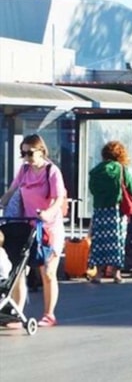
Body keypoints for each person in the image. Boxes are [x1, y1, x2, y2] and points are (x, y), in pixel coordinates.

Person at [0, 134, 66, 327]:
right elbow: (12, 191)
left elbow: (58, 199)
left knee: (47, 271)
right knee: (18, 270)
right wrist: (1, 202)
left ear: (41, 151)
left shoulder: (52, 171)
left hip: (49, 228)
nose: (27, 157)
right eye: (23, 153)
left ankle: (49, 314)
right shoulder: (25, 170)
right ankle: (17, 313)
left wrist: (47, 213)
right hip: (28, 226)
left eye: (30, 153)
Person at [88, 141, 132, 284]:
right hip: (116, 211)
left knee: (99, 241)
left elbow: (92, 189)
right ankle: (116, 274)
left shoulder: (96, 170)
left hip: (99, 210)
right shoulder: (120, 169)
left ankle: (98, 273)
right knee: (117, 241)